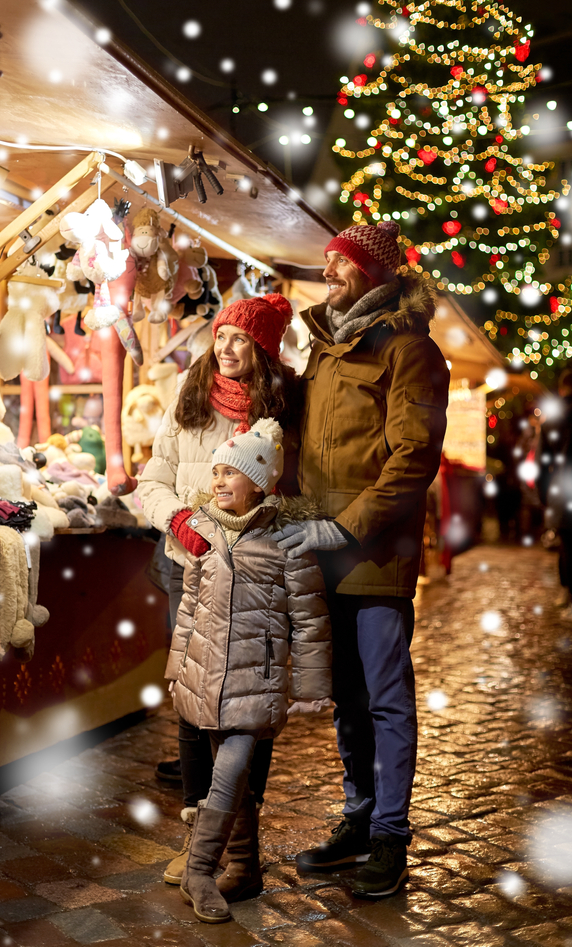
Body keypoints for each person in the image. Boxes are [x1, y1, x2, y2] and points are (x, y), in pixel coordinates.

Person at [275, 220, 449, 898]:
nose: (328, 272)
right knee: (343, 695)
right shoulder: (324, 346)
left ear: (373, 273)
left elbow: (413, 458)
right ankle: (355, 817)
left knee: (383, 698)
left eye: (340, 263)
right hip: (319, 547)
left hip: (374, 553)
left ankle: (389, 835)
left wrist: (343, 529)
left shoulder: (408, 349)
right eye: (325, 261)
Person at [138, 293, 302, 890]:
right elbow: (152, 475)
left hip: (251, 577)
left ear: (261, 351)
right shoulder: (189, 392)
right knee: (191, 700)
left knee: (245, 711)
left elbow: (287, 491)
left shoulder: (278, 409)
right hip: (186, 568)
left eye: (241, 339)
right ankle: (195, 832)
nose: (227, 347)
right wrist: (177, 517)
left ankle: (237, 848)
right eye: (223, 334)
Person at [165, 418, 332, 923]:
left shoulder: (286, 543)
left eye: (229, 473)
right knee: (230, 782)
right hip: (205, 680)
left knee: (233, 769)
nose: (217, 480)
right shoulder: (205, 536)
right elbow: (190, 607)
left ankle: (199, 870)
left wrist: (309, 686)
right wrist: (178, 668)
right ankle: (245, 865)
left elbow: (309, 619)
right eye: (215, 471)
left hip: (253, 682)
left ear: (259, 483)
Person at [538, 368, 572, 605]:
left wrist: (544, 496)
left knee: (567, 542)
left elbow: (543, 465)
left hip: (562, 490)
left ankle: (567, 588)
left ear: (561, 390)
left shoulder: (552, 422)